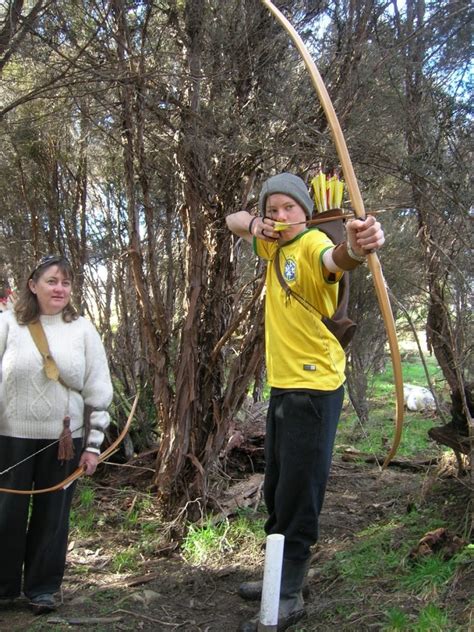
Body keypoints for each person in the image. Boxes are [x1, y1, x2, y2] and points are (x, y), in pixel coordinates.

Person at [226, 173, 385, 631]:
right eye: (272, 209)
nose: (280, 217)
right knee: (279, 487)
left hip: (313, 389)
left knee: (299, 493)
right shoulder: (273, 246)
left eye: (289, 209)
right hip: (284, 385)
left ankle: (289, 594)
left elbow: (339, 258)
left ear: (306, 212)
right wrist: (258, 225)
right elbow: (232, 219)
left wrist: (356, 245)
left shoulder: (313, 244)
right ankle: (280, 575)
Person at [0, 255, 113, 614]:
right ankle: (3, 588)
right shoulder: (7, 325)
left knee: (53, 516)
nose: (60, 288)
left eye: (65, 282)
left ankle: (42, 589)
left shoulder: (82, 329)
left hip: (65, 441)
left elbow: (98, 390)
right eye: (51, 281)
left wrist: (93, 446)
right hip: (9, 438)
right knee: (6, 513)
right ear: (32, 285)